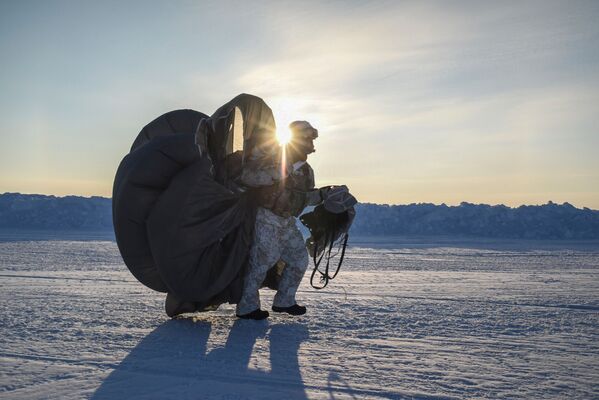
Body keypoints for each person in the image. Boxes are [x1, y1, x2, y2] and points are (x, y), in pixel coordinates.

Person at [236, 121, 328, 320]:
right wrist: (279, 172)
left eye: (312, 139)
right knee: (260, 263)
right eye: (308, 138)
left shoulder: (306, 170)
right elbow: (248, 177)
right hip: (266, 218)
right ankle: (247, 307)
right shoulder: (272, 157)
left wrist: (324, 195)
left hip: (287, 222)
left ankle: (284, 301)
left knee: (299, 259)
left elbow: (304, 197)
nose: (311, 143)